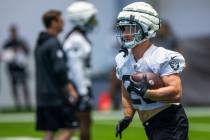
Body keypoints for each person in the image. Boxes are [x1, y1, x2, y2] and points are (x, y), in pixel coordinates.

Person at [114, 2, 189, 140]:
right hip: (150, 124)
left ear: (146, 28)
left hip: (169, 121)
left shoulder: (161, 56)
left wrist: (147, 92)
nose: (125, 34)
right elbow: (126, 90)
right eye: (123, 29)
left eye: (131, 28)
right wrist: (127, 116)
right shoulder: (122, 59)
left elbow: (176, 92)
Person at [35, 10, 79, 140]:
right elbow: (60, 70)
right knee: (70, 128)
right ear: (53, 22)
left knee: (50, 131)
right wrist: (71, 90)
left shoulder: (39, 43)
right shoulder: (53, 43)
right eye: (60, 20)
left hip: (42, 95)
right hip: (55, 96)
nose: (63, 22)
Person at [63, 1, 98, 140]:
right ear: (82, 18)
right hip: (78, 88)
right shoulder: (76, 40)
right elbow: (75, 67)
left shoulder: (78, 37)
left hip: (80, 86)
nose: (94, 22)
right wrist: (83, 93)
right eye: (91, 18)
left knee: (85, 123)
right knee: (80, 124)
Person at [2, 25, 31, 111]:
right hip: (12, 69)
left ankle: (27, 105)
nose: (14, 33)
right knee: (14, 88)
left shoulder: (21, 42)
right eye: (12, 32)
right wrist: (11, 52)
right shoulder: (7, 43)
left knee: (25, 87)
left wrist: (21, 49)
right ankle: (18, 106)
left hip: (21, 68)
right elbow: (3, 55)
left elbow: (27, 51)